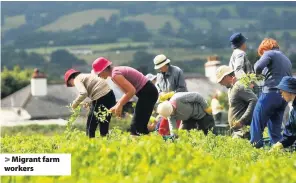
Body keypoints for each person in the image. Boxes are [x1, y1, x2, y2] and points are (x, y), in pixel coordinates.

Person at [92, 57, 158, 136]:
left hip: (148, 92)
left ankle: (155, 142)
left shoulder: (115, 74)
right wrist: (117, 106)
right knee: (140, 127)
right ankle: (155, 143)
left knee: (136, 127)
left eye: (99, 74)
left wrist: (120, 104)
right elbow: (127, 92)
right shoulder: (114, 76)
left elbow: (131, 91)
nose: (99, 76)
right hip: (146, 93)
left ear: (104, 69)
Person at [250, 38, 292, 148]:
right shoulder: (286, 59)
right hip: (283, 97)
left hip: (270, 93)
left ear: (264, 49)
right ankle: (277, 151)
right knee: (275, 130)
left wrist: (257, 74)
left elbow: (258, 66)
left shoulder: (269, 53)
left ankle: (255, 149)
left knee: (257, 122)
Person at [64, 69, 116, 138]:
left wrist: (75, 104)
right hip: (110, 96)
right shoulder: (85, 76)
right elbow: (94, 90)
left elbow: (83, 93)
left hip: (101, 97)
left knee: (90, 126)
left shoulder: (77, 79)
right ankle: (106, 145)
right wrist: (89, 102)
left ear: (70, 79)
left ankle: (90, 145)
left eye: (70, 84)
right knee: (104, 125)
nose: (73, 86)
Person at [216, 65, 258, 139]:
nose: (220, 84)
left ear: (226, 77)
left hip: (242, 131)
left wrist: (242, 121)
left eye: (221, 81)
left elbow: (254, 100)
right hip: (237, 131)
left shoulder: (238, 86)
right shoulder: (232, 88)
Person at [269, 76, 296, 152]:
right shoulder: (294, 110)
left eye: (282, 92)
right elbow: (290, 132)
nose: (281, 95)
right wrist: (279, 144)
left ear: (289, 91)